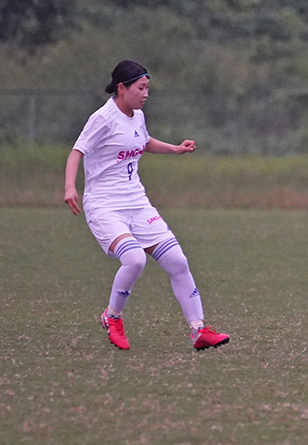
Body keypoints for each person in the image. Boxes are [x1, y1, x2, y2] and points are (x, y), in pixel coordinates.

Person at [64, 60, 230, 351]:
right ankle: (112, 317)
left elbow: (144, 142)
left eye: (147, 88)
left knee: (178, 262)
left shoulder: (137, 116)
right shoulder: (103, 118)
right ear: (121, 88)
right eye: (141, 88)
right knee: (135, 259)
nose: (146, 94)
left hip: (137, 204)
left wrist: (175, 149)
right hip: (105, 206)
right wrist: (69, 187)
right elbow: (77, 152)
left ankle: (198, 331)